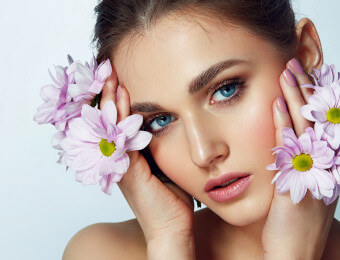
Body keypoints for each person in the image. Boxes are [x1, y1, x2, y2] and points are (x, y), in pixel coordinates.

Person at [62, 0, 340, 259]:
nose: (202, 153)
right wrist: (168, 241)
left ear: (305, 54)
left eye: (225, 90)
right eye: (160, 121)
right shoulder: (102, 252)